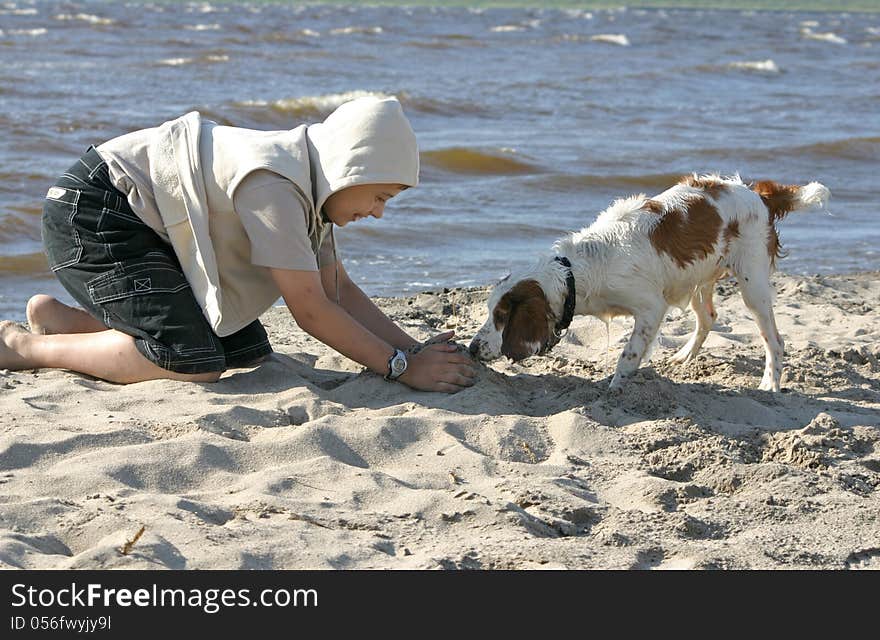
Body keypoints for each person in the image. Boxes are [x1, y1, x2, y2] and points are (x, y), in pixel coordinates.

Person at [0, 96, 476, 393]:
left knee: (242, 348)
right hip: (95, 213)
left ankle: (62, 322)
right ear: (352, 169)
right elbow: (310, 312)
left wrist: (415, 350)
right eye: (379, 195)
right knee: (190, 363)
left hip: (142, 221)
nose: (378, 211)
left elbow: (338, 292)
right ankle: (24, 347)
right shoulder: (275, 182)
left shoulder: (315, 185)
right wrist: (401, 369)